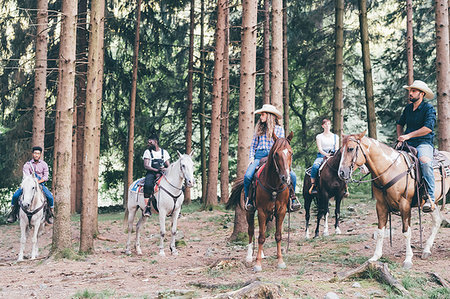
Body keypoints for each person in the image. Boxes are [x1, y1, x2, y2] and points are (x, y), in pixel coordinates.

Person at [244, 104, 301, 212]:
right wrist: (251, 158)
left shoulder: (280, 130)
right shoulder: (259, 130)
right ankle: (249, 200)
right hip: (259, 156)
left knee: (292, 176)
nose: (261, 117)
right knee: (247, 176)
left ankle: (293, 199)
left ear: (269, 116)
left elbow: (282, 147)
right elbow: (253, 146)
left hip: (275, 157)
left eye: (263, 114)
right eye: (261, 114)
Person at [397, 80, 436, 213]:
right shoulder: (408, 108)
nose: (411, 93)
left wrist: (408, 136)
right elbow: (400, 123)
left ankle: (431, 197)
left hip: (423, 142)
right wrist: (401, 137)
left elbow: (428, 128)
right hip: (407, 143)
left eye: (414, 91)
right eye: (410, 91)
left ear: (422, 94)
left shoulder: (428, 108)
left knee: (425, 163)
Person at [7, 146, 54, 224]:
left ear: (40, 155)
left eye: (38, 153)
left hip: (40, 184)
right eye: (35, 153)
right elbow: (27, 177)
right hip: (29, 184)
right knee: (16, 195)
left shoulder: (44, 164)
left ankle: (50, 214)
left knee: (50, 197)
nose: (36, 155)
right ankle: (13, 213)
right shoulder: (27, 165)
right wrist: (32, 182)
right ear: (32, 154)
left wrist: (38, 182)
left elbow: (45, 177)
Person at [309, 119, 340, 195]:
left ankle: (344, 186)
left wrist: (333, 155)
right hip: (322, 155)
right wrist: (326, 155)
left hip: (333, 155)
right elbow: (320, 149)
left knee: (342, 166)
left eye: (329, 124)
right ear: (322, 126)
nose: (327, 126)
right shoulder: (319, 136)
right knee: (315, 166)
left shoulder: (335, 137)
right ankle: (313, 185)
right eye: (325, 124)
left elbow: (336, 148)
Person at [142, 134, 170, 217]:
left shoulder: (164, 152)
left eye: (150, 141)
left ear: (156, 141)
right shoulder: (147, 152)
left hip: (162, 173)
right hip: (151, 173)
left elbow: (168, 165)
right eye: (148, 141)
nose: (148, 143)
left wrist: (165, 169)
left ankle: (175, 207)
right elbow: (146, 165)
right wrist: (156, 170)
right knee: (147, 185)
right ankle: (147, 207)